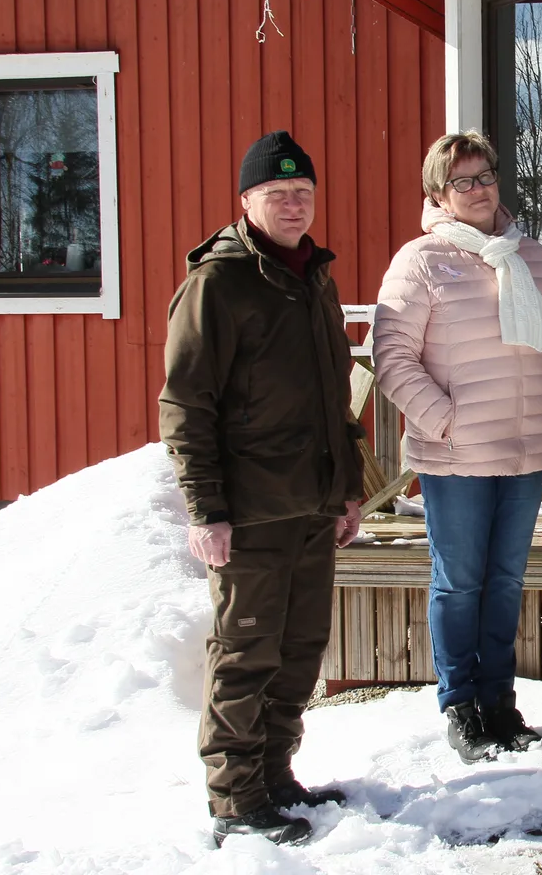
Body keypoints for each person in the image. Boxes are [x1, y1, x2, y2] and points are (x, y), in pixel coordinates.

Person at [159, 130, 364, 846]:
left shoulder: (314, 276)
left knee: (299, 652)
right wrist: (205, 509)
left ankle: (275, 775)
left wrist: (346, 488)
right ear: (246, 201)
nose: (292, 204)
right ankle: (234, 800)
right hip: (249, 513)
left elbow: (332, 398)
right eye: (276, 194)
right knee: (244, 657)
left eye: (302, 192)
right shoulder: (219, 283)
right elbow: (186, 403)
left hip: (311, 503)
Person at [372, 131, 542, 764]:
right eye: (463, 181)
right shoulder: (420, 261)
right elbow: (392, 357)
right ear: (439, 193)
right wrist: (445, 422)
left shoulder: (531, 256)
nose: (480, 188)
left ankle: (499, 700)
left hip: (523, 449)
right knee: (460, 583)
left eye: (486, 175)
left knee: (506, 581)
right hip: (458, 455)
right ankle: (460, 702)